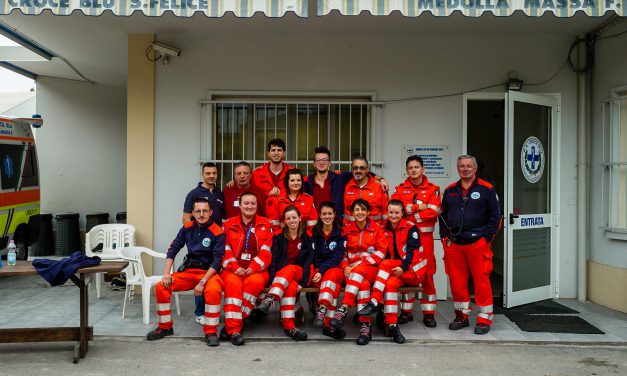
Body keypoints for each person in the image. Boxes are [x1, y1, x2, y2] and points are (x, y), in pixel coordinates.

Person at [147, 198, 225, 347]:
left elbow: (217, 260)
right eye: (198, 211)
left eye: (205, 211)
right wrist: (166, 273)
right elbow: (173, 249)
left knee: (214, 290)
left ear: (211, 212)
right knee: (161, 286)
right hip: (190, 272)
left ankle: (210, 331)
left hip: (210, 273)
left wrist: (202, 282)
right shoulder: (187, 228)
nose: (201, 214)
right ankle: (165, 327)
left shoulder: (218, 232)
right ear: (193, 213)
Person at [439, 155, 501, 335]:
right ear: (457, 169)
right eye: (461, 166)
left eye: (468, 166)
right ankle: (461, 316)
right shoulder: (450, 190)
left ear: (475, 168)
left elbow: (496, 217)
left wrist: (486, 239)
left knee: (481, 282)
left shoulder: (486, 189)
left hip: (477, 243)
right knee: (457, 282)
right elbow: (442, 215)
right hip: (455, 244)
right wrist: (445, 239)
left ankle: (484, 318)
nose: (465, 169)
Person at [357, 200, 428, 344]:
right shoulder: (383, 228)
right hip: (395, 272)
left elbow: (412, 253)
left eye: (397, 213)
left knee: (386, 263)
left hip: (412, 270)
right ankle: (393, 325)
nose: (393, 215)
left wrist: (403, 267)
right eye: (390, 212)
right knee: (390, 285)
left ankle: (375, 300)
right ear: (386, 213)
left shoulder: (411, 228)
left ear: (402, 213)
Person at [390, 155, 442, 327]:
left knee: (427, 275)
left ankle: (429, 313)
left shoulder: (433, 189)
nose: (413, 170)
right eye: (410, 167)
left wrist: (411, 213)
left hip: (426, 240)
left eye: (416, 167)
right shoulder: (399, 189)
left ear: (422, 169)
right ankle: (406, 311)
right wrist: (420, 207)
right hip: (405, 240)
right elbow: (395, 210)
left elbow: (434, 211)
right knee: (406, 273)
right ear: (406, 170)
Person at [330, 199, 388, 346]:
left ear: (368, 212)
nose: (360, 212)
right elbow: (341, 252)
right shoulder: (346, 229)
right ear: (352, 212)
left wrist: (358, 266)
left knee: (360, 274)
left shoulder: (377, 229)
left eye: (363, 210)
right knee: (363, 285)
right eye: (357, 210)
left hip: (372, 268)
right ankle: (365, 328)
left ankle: (343, 308)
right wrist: (345, 266)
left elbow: (381, 252)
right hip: (354, 273)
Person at [220, 192, 274, 345]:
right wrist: (234, 267)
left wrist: (253, 267)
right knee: (233, 286)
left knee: (253, 284)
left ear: (257, 206)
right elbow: (223, 249)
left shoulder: (266, 224)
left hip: (256, 270)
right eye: (246, 203)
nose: (250, 206)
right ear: (240, 205)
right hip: (232, 269)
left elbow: (266, 251)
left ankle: (232, 326)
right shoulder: (227, 224)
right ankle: (235, 330)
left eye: (253, 203)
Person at [255, 206, 313, 341]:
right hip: (282, 278)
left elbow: (309, 262)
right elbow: (273, 260)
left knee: (291, 268)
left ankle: (270, 298)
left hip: (298, 272)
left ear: (299, 219)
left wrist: (303, 283)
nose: (291, 220)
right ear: (284, 221)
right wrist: (272, 279)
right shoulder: (278, 237)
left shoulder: (307, 238)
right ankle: (289, 327)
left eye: (294, 217)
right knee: (290, 287)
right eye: (288, 218)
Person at [182, 162, 225, 325]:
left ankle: (210, 310)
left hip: (217, 240)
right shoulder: (194, 194)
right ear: (202, 175)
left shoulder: (220, 194)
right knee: (201, 274)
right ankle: (200, 313)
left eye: (214, 173)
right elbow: (186, 218)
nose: (211, 176)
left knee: (213, 276)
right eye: (208, 173)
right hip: (200, 241)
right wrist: (193, 238)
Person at [303, 146, 389, 221]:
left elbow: (360, 172)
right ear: (314, 164)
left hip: (336, 229)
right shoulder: (307, 183)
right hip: (315, 227)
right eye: (318, 160)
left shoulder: (339, 178)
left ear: (329, 163)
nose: (321, 162)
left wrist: (380, 178)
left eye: (324, 160)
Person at [310, 201, 347, 340]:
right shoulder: (314, 232)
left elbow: (337, 257)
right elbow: (312, 255)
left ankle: (322, 309)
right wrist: (318, 271)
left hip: (334, 268)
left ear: (334, 215)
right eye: (324, 214)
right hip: (318, 272)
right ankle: (329, 326)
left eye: (330, 214)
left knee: (331, 276)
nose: (327, 216)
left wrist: (322, 271)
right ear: (319, 215)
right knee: (334, 287)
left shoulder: (341, 233)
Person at [265, 168, 318, 235]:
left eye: (298, 180)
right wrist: (279, 239)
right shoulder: (276, 199)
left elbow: (312, 224)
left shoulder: (308, 199)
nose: (296, 183)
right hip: (281, 238)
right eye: (292, 180)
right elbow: (273, 223)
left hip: (303, 237)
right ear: (287, 182)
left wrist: (309, 239)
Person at [343, 156, 388, 226]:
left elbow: (386, 213)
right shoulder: (346, 186)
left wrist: (382, 231)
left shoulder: (379, 187)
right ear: (351, 170)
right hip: (352, 233)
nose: (358, 171)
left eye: (362, 168)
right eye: (355, 168)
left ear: (367, 170)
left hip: (374, 233)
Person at [252, 139, 293, 215]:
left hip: (287, 218)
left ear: (284, 153)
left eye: (279, 150)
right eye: (273, 150)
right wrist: (234, 182)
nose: (276, 153)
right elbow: (246, 185)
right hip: (262, 217)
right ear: (268, 153)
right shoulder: (257, 173)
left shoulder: (292, 172)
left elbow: (303, 184)